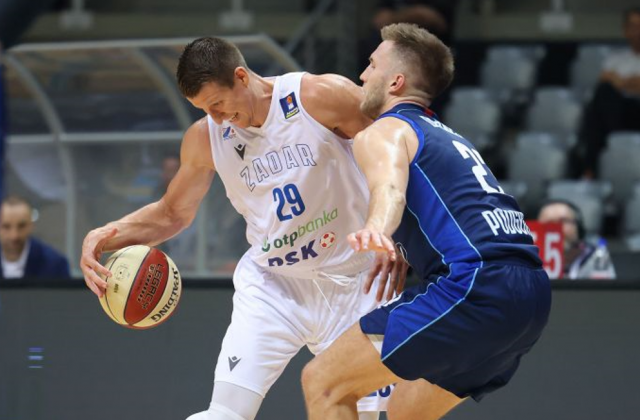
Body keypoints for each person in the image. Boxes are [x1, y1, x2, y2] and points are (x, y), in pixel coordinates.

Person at [80, 37, 407, 420]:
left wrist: (402, 238)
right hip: (274, 286)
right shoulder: (205, 138)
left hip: (357, 280)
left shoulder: (321, 96)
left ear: (240, 76)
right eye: (204, 110)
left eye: (217, 104)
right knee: (223, 414)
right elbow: (172, 213)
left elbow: (400, 158)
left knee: (362, 415)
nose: (216, 118)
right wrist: (105, 234)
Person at [302, 23, 552, 420]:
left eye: (372, 65)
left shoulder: (385, 130)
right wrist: (406, 247)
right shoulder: (451, 137)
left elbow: (390, 189)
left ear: (396, 82)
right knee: (406, 411)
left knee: (324, 384)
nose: (362, 75)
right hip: (531, 295)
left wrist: (378, 228)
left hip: (473, 285)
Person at [574, 8, 640, 178]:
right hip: (618, 114)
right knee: (601, 97)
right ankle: (590, 169)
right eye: (633, 26)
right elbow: (604, 82)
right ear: (625, 30)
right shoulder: (615, 58)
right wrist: (629, 83)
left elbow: (618, 81)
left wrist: (619, 81)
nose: (637, 31)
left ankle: (608, 148)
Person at [538, 199, 616, 279]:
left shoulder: (597, 257)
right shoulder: (531, 260)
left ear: (578, 228)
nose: (556, 228)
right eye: (548, 223)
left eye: (563, 221)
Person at [0, 195, 70, 280]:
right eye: (6, 227)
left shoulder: (55, 265)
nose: (14, 235)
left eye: (21, 226)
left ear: (31, 225)